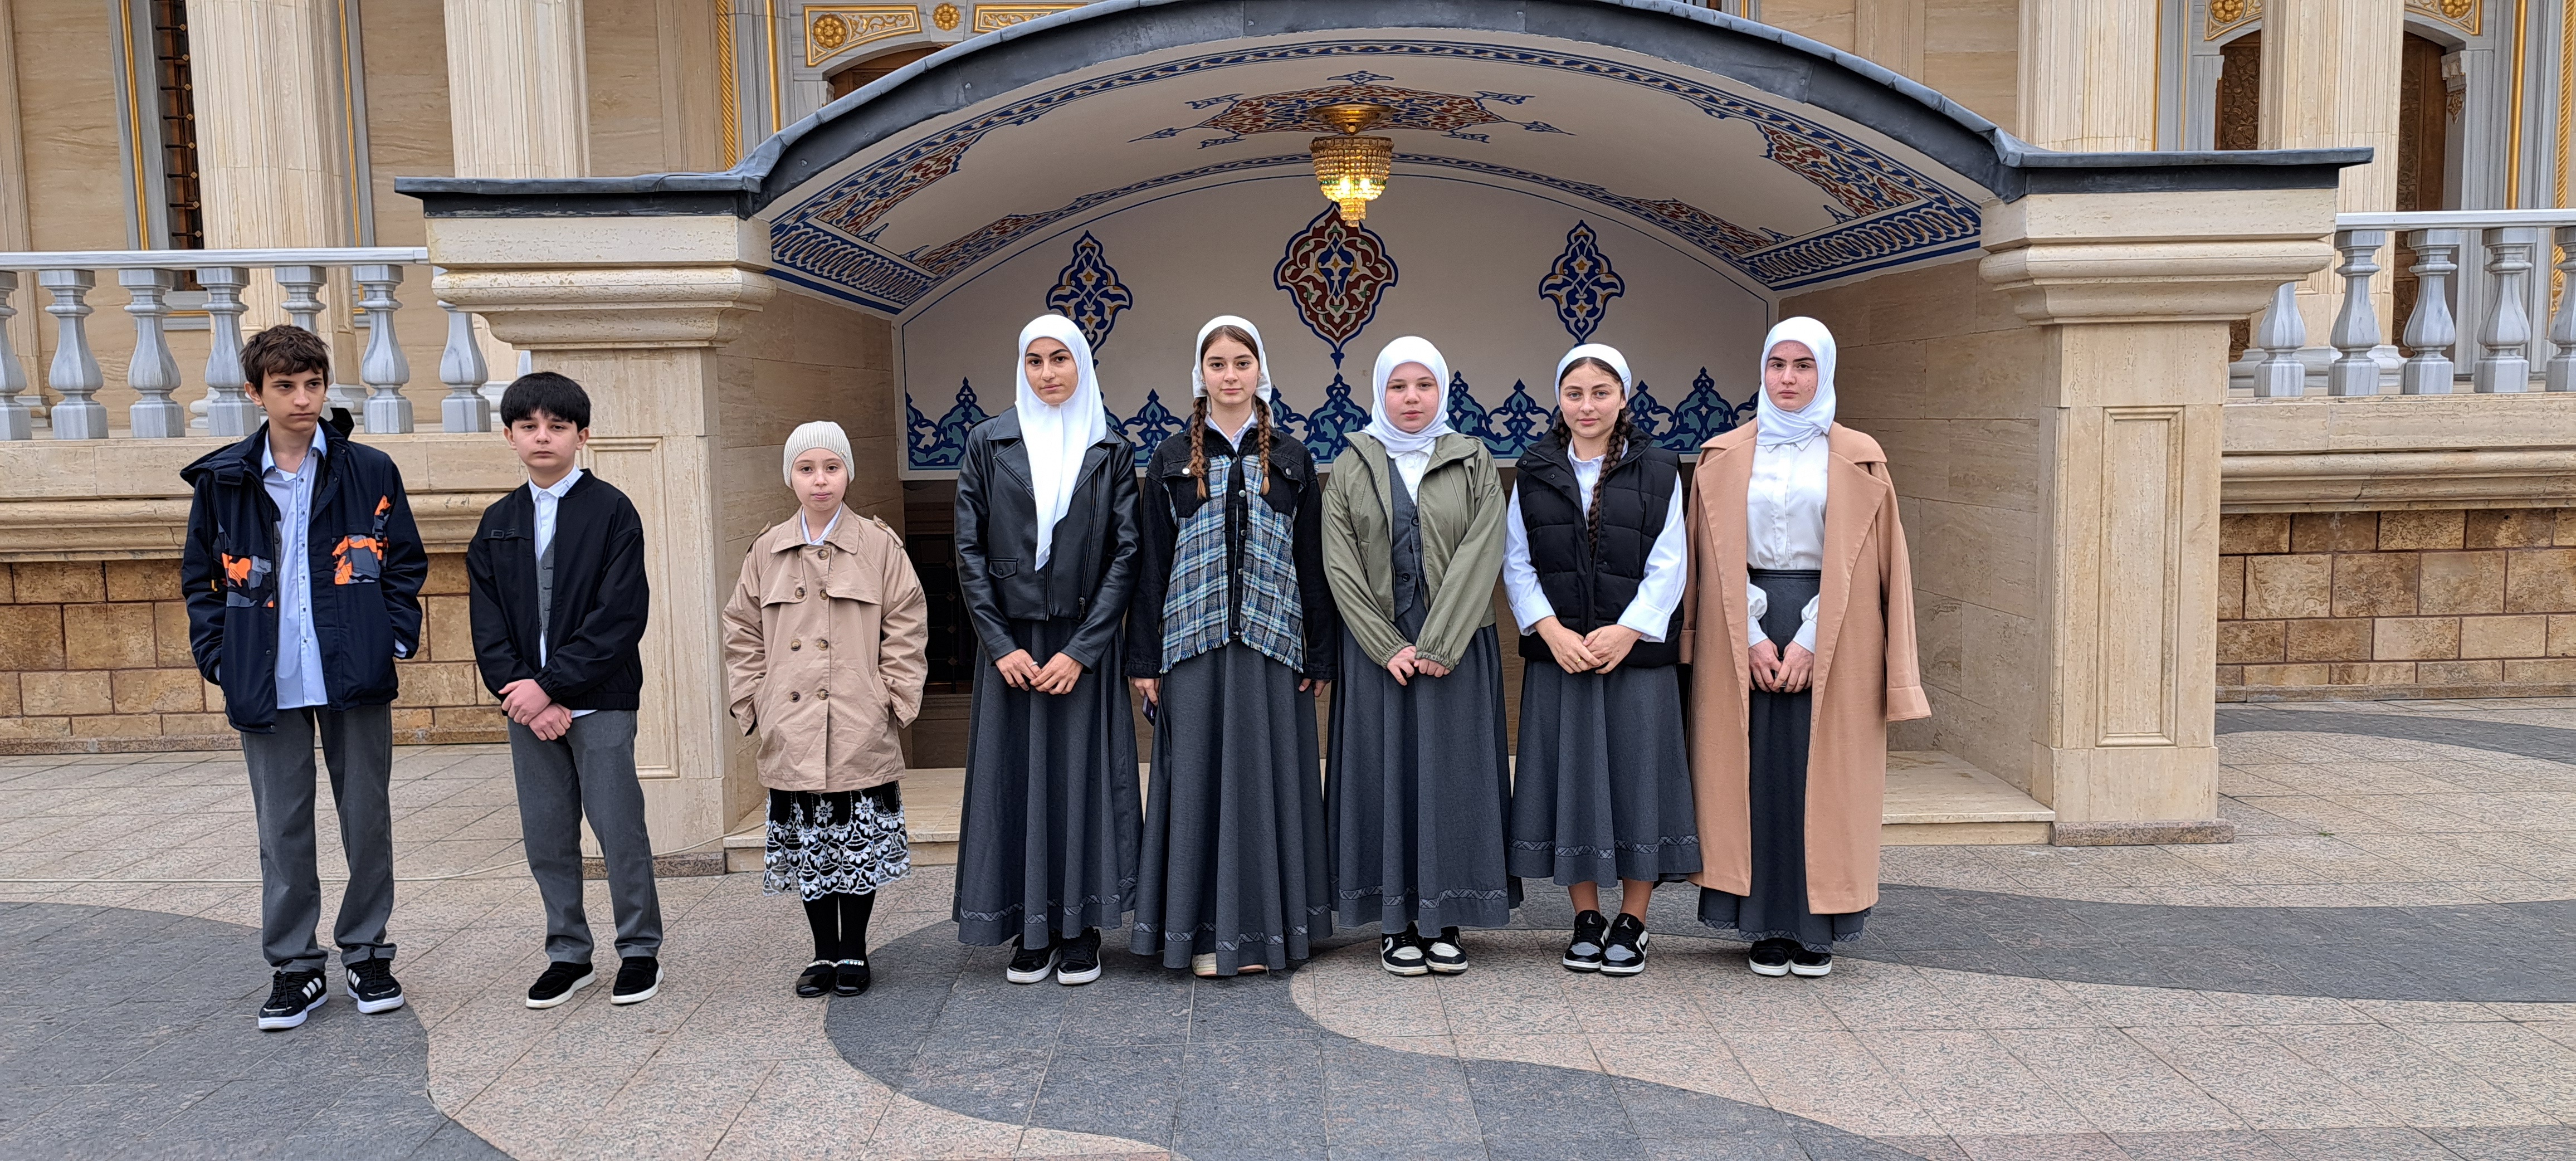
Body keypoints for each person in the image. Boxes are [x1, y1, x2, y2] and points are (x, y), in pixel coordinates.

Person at [180, 324, 427, 1031]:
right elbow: (201, 579)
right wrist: (220, 657)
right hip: (264, 674)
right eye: (285, 385)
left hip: (353, 668)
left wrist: (390, 637)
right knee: (282, 825)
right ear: (255, 392)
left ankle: (368, 951)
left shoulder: (369, 469)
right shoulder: (224, 479)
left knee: (367, 816)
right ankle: (295, 965)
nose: (301, 398)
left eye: (312, 383)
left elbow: (404, 560)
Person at [1682, 317, 1927, 978]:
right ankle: (1762, 923)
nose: (1787, 378)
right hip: (1741, 624)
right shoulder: (1722, 454)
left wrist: (1814, 637)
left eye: (1802, 365)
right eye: (1777, 364)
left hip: (1838, 629)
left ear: (1825, 371)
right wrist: (1752, 634)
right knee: (1754, 773)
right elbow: (1706, 557)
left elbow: (1879, 563)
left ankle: (1817, 927)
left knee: (1823, 776)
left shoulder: (1859, 454)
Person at [1126, 316, 1338, 978]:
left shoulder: (1292, 457)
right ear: (1201, 373)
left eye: (1241, 362)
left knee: (1267, 783)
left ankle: (1271, 934)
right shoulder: (1170, 458)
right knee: (1198, 787)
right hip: (1193, 647)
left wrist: (1320, 652)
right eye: (1216, 364)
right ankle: (1199, 933)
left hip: (1273, 646)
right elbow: (1150, 564)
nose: (1229, 375)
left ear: (1259, 370)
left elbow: (1313, 561)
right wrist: (1144, 659)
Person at [952, 314, 1143, 986]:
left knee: (1080, 783)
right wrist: (999, 644)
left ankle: (1081, 928)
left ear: (1082, 365)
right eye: (1035, 360)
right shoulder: (988, 441)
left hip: (1080, 648)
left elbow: (1126, 555)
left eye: (1060, 358)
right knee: (1017, 782)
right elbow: (968, 549)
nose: (1047, 372)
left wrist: (1084, 650)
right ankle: (1028, 928)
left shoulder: (1110, 449)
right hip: (1011, 649)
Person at [466, 372, 665, 1008]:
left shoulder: (611, 511)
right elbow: (487, 624)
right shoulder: (498, 522)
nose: (543, 437)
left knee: (618, 827)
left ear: (583, 435)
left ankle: (639, 948)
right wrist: (525, 695)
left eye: (557, 426)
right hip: (527, 708)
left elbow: (620, 615)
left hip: (600, 699)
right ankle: (568, 952)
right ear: (510, 436)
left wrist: (551, 686)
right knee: (546, 833)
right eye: (529, 426)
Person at [1320, 336, 1515, 977]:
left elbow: (1483, 549)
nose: (1411, 398)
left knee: (1452, 778)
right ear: (1379, 392)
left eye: (1424, 385)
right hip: (1377, 649)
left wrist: (1439, 643)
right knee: (1387, 776)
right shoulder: (1351, 464)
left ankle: (1446, 915)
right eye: (1398, 386)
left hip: (1455, 646)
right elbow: (1339, 563)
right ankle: (1395, 920)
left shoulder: (1472, 459)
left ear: (1442, 390)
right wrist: (1387, 644)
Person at [1503, 343, 1696, 977]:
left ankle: (1633, 920)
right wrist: (1551, 631)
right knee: (1573, 783)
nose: (1587, 406)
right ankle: (1585, 916)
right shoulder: (1535, 468)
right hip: (1561, 656)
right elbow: (1517, 560)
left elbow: (1671, 560)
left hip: (1634, 659)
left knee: (1638, 782)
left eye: (1600, 393)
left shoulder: (1660, 467)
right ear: (1559, 400)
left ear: (1623, 397)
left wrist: (1628, 630)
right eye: (1575, 394)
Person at [724, 421, 928, 999]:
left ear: (848, 474)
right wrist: (754, 699)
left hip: (858, 718)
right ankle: (822, 951)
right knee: (811, 847)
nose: (820, 480)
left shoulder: (879, 545)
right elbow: (741, 629)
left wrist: (893, 696)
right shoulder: (767, 549)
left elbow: (907, 624)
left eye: (832, 467)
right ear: (790, 476)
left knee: (856, 845)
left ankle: (854, 949)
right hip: (792, 725)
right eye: (807, 468)